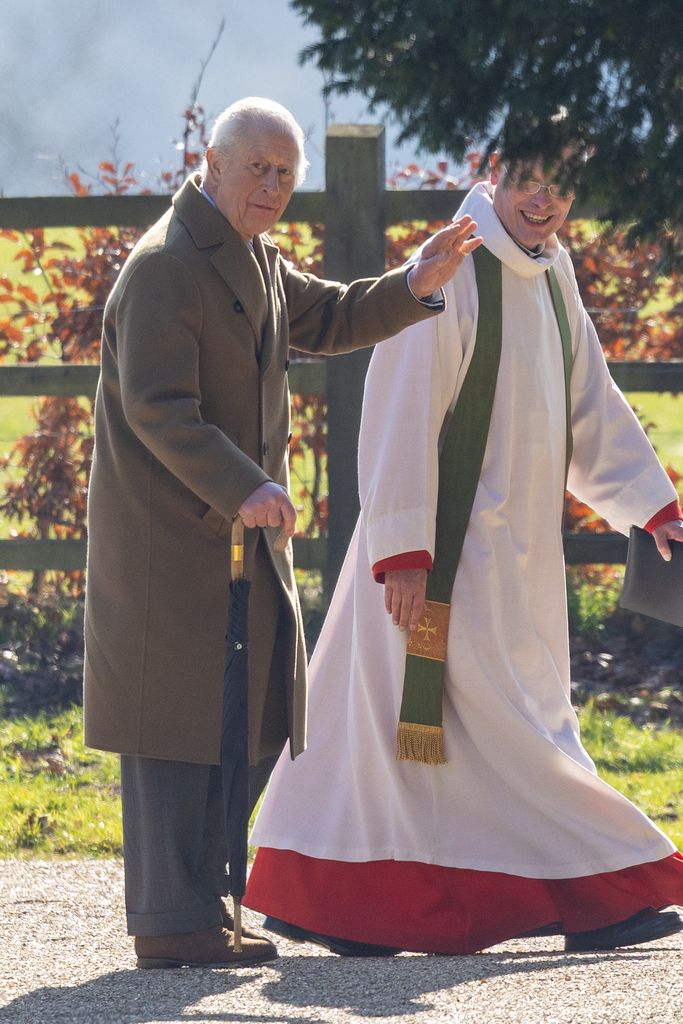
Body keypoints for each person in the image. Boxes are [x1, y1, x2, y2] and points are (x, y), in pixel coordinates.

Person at [245, 155, 683, 956]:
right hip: (437, 557)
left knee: (453, 734)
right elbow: (399, 405)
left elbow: (589, 393)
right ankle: (609, 884)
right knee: (480, 732)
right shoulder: (452, 263)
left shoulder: (551, 272)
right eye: (528, 181)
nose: (544, 201)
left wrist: (648, 501)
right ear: (492, 176)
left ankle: (349, 910)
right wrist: (405, 551)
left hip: (519, 556)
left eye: (561, 185)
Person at [82, 96, 481, 970]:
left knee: (243, 720)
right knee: (171, 730)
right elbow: (159, 409)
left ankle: (208, 909)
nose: (272, 185)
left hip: (235, 540)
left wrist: (412, 285)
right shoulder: (163, 269)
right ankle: (169, 921)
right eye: (258, 166)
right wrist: (248, 483)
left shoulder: (253, 258)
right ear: (210, 162)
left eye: (286, 174)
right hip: (172, 544)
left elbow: (332, 316)